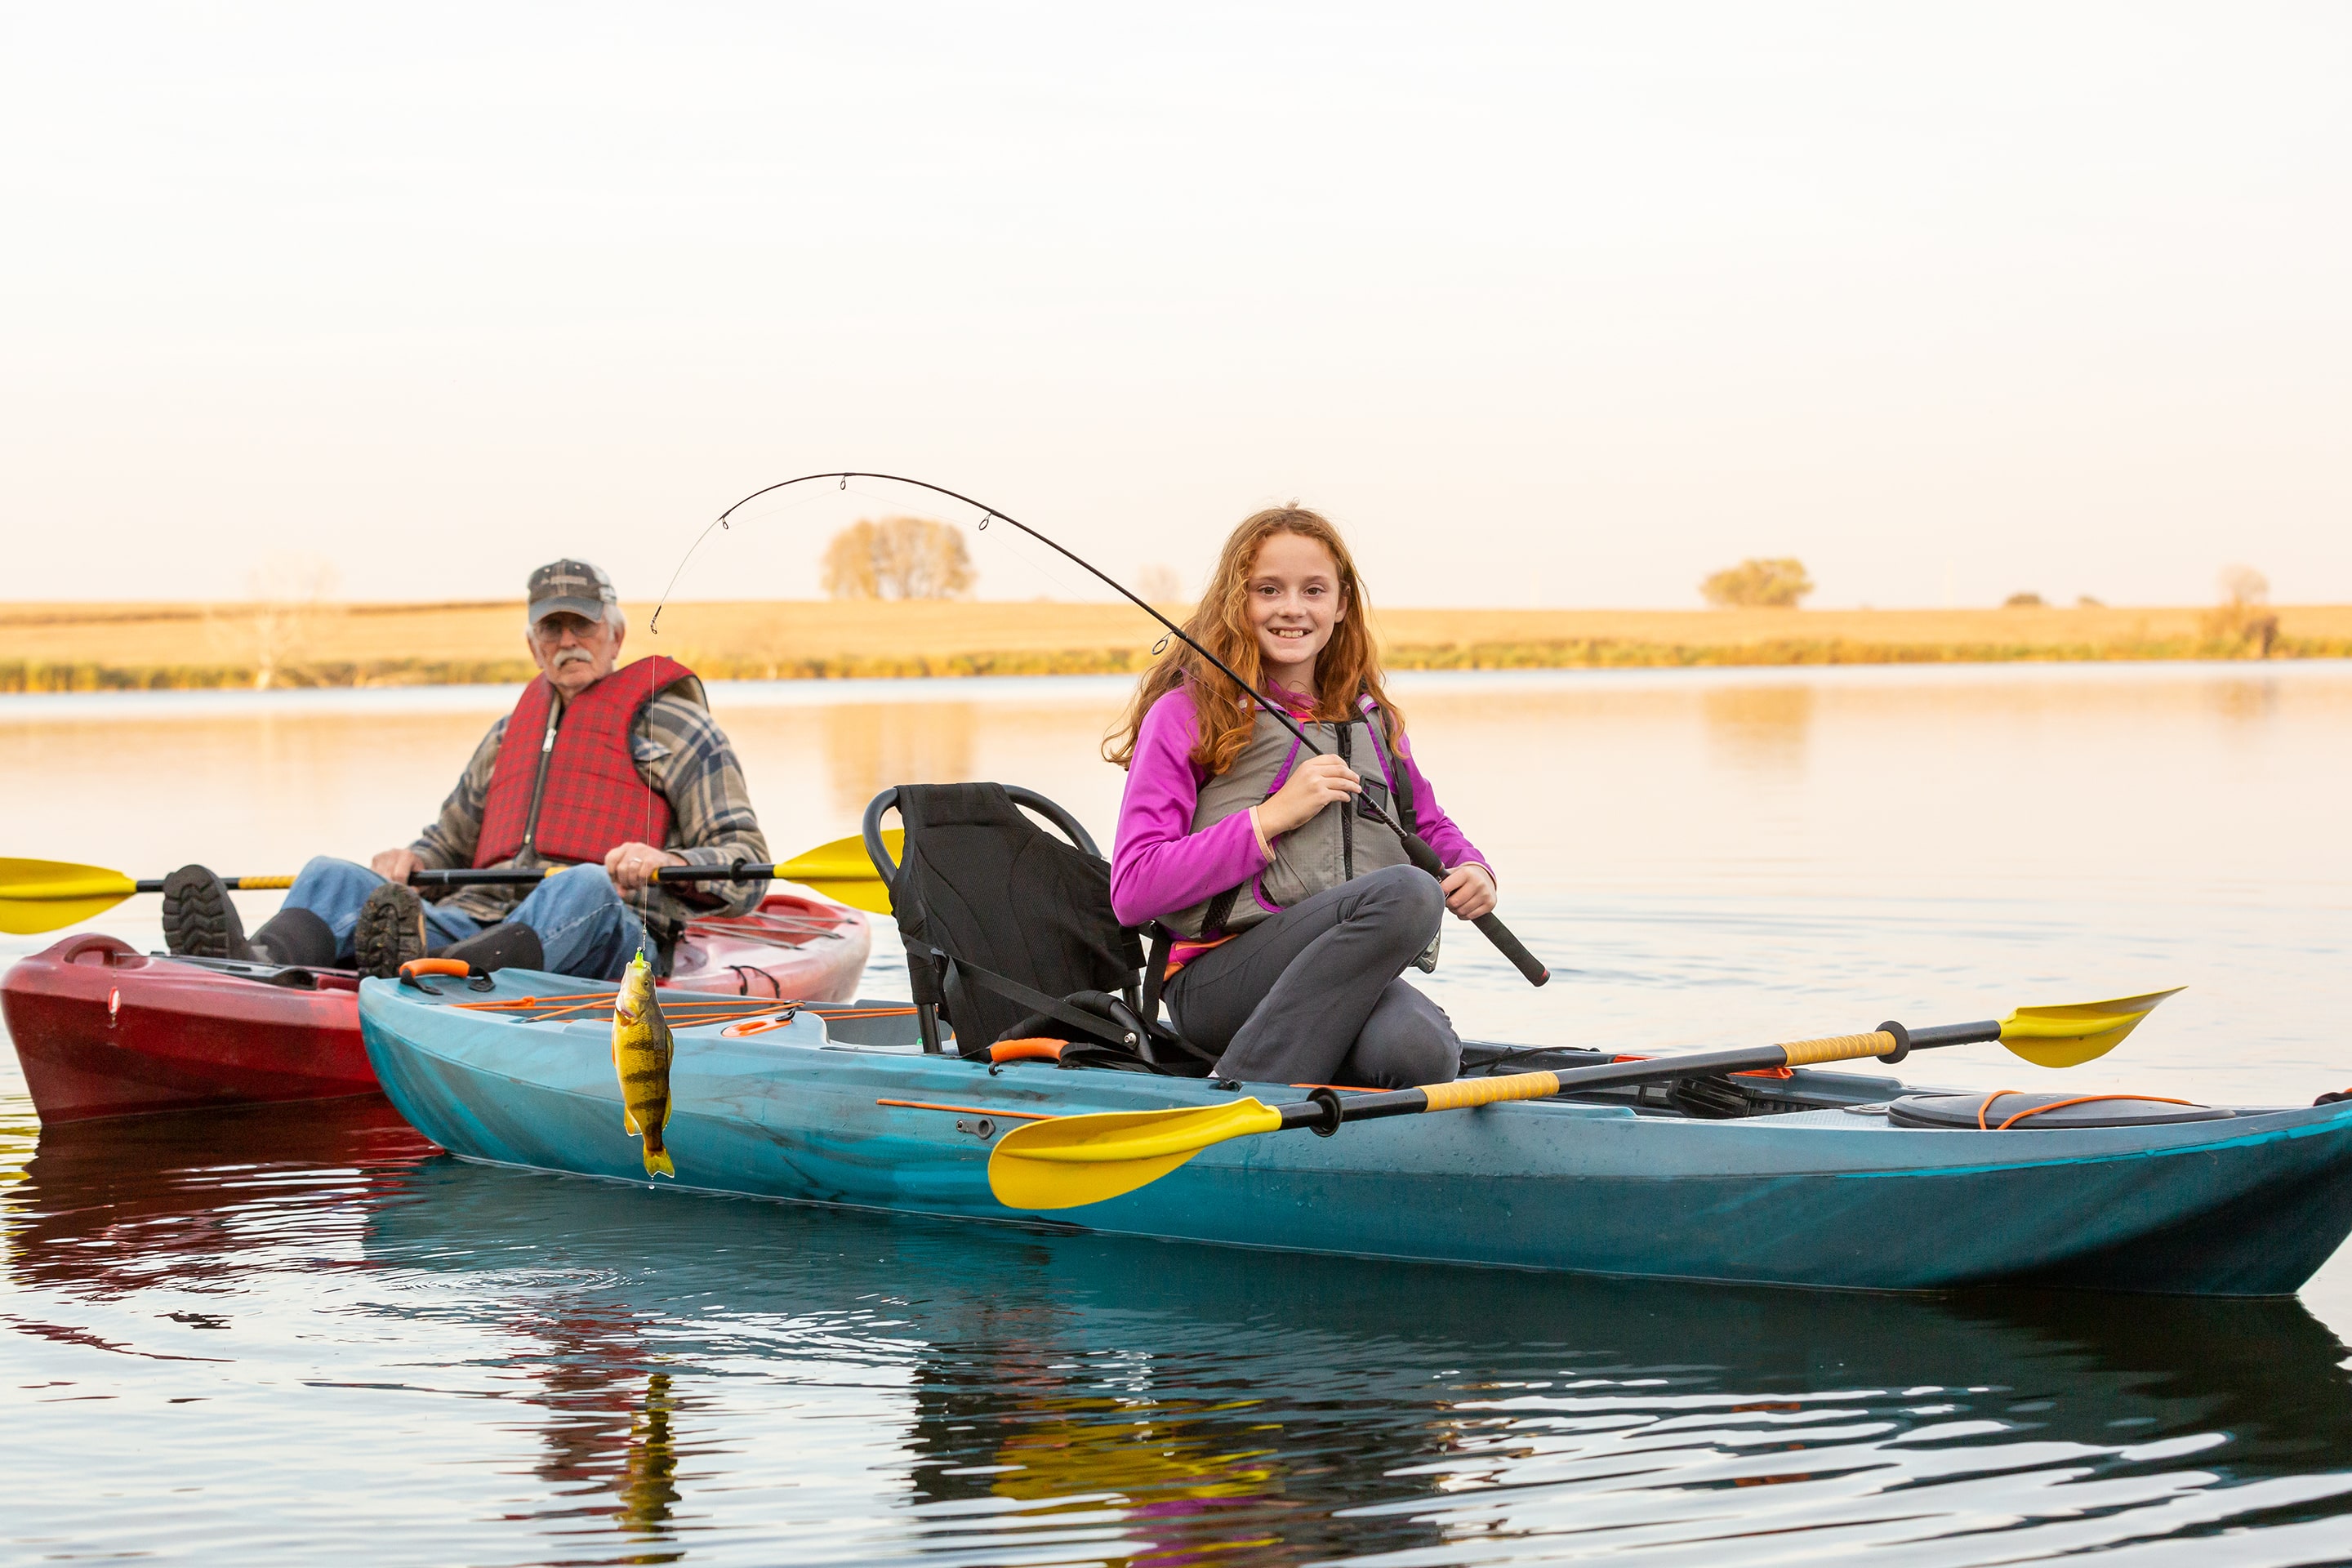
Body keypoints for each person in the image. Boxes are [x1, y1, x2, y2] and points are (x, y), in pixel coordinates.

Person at [159, 559, 771, 979]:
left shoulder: (681, 730)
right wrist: (411, 860)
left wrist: (668, 864)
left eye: (581, 624)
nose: (567, 640)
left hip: (610, 932)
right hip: (479, 925)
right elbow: (445, 840)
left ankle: (443, 977)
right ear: (533, 644)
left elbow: (746, 866)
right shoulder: (507, 737)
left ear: (615, 635)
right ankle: (254, 961)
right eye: (551, 628)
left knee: (580, 882)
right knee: (332, 875)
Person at [1104, 506, 1497, 1089]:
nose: (1292, 608)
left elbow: (1427, 825)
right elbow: (1133, 891)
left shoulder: (1374, 721)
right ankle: (1235, 1100)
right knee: (1410, 895)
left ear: (1341, 606)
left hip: (1343, 970)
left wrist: (1472, 868)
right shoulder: (1186, 715)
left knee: (1419, 1053)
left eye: (1314, 590)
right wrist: (1268, 820)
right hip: (1217, 981)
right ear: (1238, 602)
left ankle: (1301, 1090)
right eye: (1269, 590)